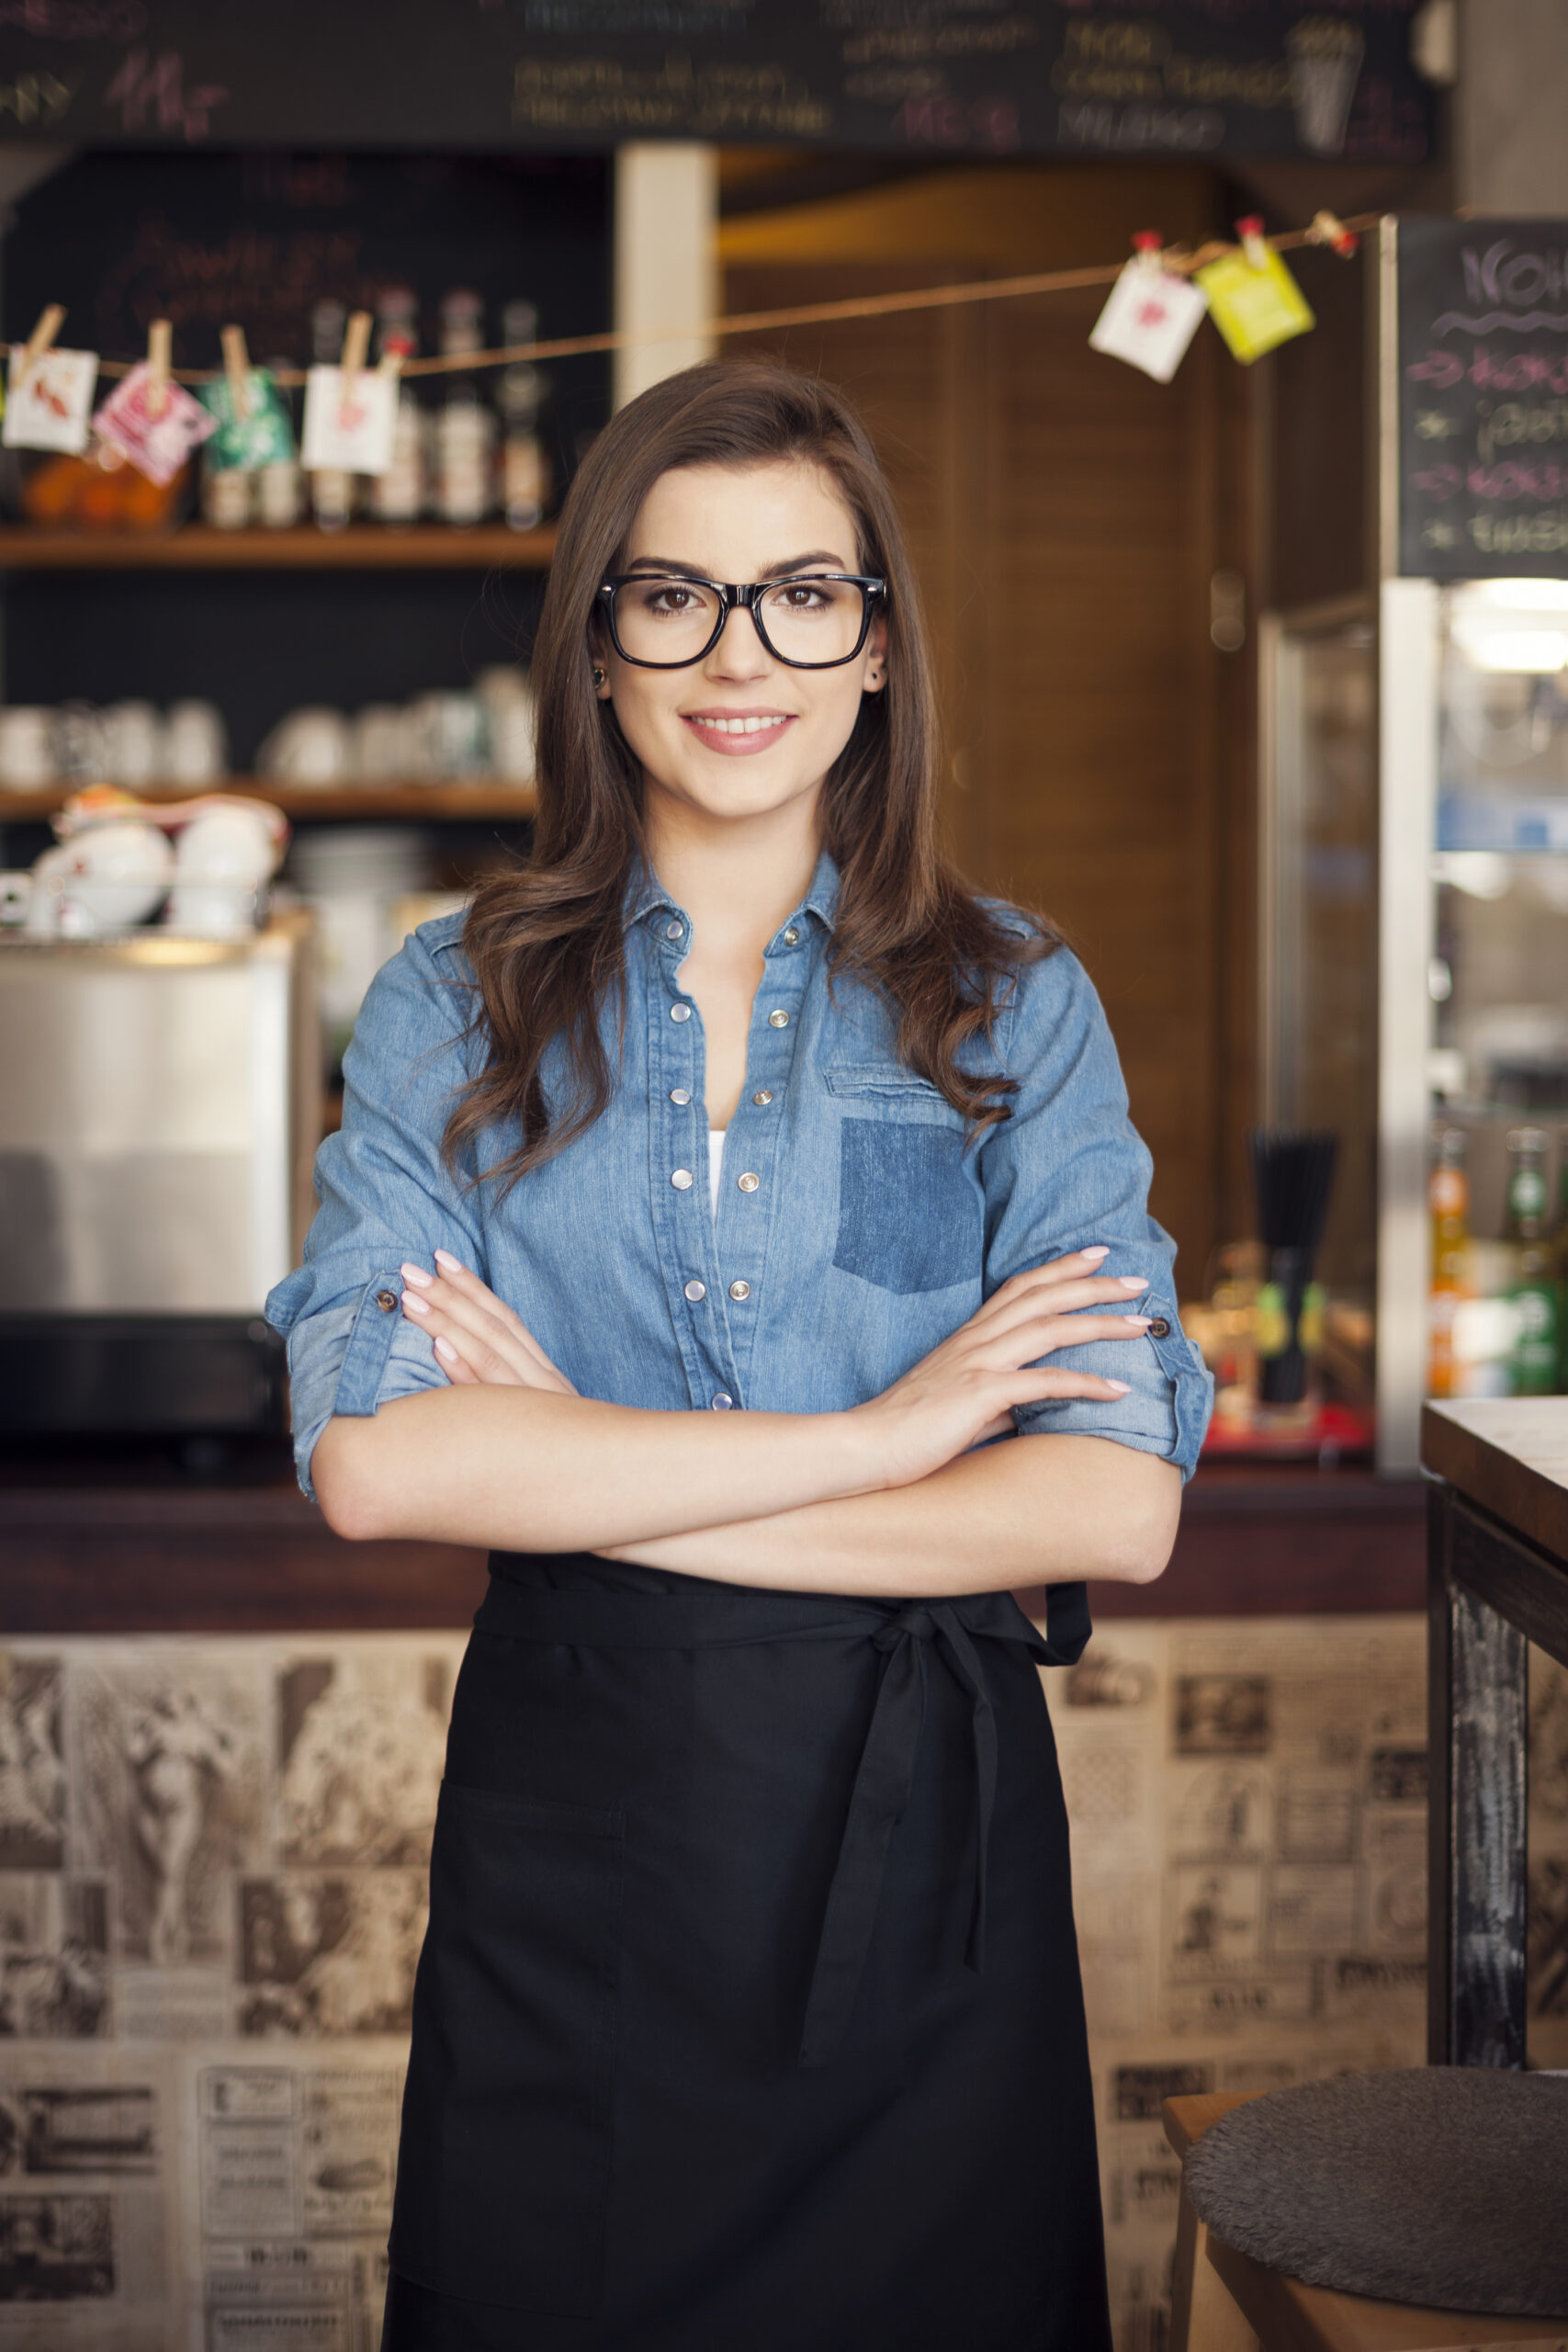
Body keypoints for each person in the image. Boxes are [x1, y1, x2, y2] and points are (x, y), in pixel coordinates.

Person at [267, 357, 1213, 2352]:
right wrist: (892, 1436)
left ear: (875, 649)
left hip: (922, 1870)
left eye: (804, 592)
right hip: (576, 1866)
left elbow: (1112, 1502)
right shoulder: (457, 998)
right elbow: (379, 1461)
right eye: (669, 593)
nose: (736, 652)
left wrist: (585, 1464)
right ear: (597, 644)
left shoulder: (1010, 1007)